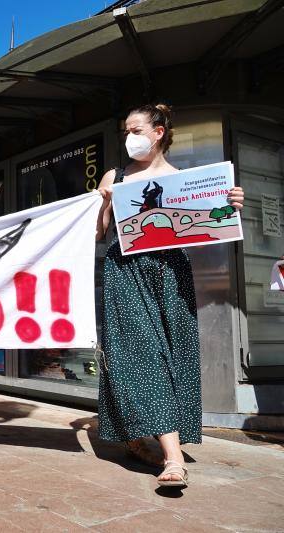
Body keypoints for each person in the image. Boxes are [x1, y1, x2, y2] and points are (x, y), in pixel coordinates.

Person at [95, 104, 244, 487]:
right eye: (126, 130)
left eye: (135, 129)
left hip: (170, 271)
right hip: (124, 270)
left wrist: (228, 206)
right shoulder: (117, 175)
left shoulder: (185, 179)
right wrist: (105, 202)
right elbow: (97, 235)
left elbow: (209, 226)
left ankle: (135, 436)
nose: (129, 137)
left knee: (172, 352)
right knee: (144, 353)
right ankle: (174, 459)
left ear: (158, 132)